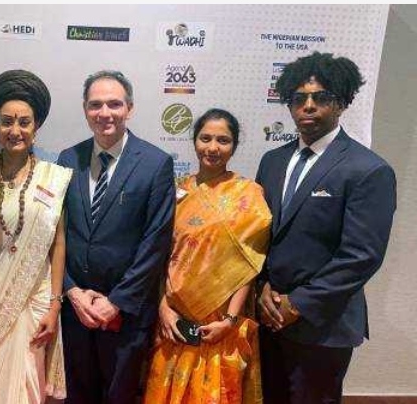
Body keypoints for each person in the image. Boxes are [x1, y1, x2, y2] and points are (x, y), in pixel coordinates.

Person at [255, 51, 397, 403]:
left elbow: (361, 255)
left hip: (324, 325)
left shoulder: (368, 169)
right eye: (299, 98)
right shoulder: (272, 161)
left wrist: (298, 304)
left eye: (321, 98)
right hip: (268, 317)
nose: (308, 106)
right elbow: (259, 236)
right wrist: (262, 287)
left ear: (342, 103)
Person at [56, 70, 175, 404]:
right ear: (85, 109)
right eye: (95, 105)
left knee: (119, 396)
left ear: (130, 109)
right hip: (76, 311)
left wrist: (116, 302)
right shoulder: (68, 159)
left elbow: (155, 243)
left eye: (114, 104)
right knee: (77, 396)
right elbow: (55, 233)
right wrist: (72, 291)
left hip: (126, 315)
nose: (104, 113)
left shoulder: (155, 163)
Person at [143, 109, 272, 403]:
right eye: (205, 138)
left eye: (223, 140)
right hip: (174, 316)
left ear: (234, 146)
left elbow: (248, 265)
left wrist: (229, 320)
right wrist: (164, 307)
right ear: (194, 141)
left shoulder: (248, 195)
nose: (213, 147)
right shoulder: (176, 191)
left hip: (220, 318)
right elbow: (160, 257)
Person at [0, 69, 72, 403]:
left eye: (24, 122)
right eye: (6, 122)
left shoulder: (53, 177)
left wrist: (54, 306)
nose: (15, 131)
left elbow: (58, 243)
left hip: (34, 300)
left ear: (36, 126)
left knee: (28, 386)